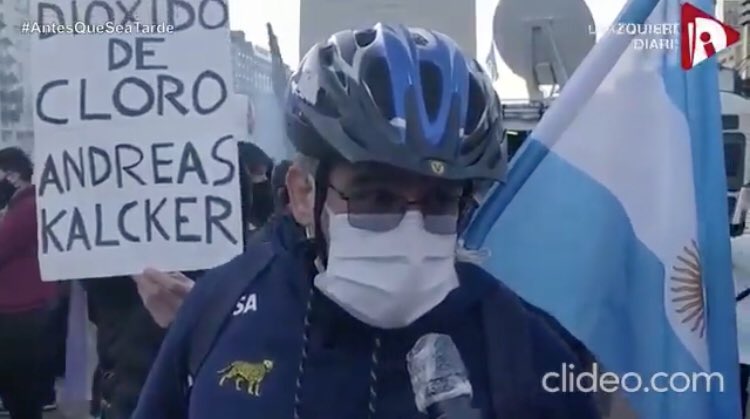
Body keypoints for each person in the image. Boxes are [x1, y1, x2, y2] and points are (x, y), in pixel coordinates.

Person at [133, 24, 598, 418]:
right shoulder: (223, 307)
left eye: (439, 200)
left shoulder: (522, 345)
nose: (411, 228)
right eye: (378, 196)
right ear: (302, 194)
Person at [0, 147, 58, 419]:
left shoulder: (28, 207)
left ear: (11, 175)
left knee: (20, 391)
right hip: (22, 308)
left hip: (20, 311)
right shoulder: (23, 205)